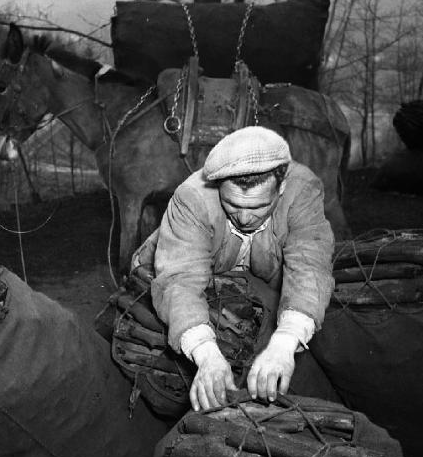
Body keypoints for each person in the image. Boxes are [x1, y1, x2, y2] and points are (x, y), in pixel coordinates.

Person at [135, 126, 335, 411]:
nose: (243, 217)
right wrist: (206, 355)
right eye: (231, 204)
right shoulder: (191, 197)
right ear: (218, 186)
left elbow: (309, 265)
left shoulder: (302, 190)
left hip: (251, 281)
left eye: (258, 207)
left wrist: (284, 343)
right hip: (176, 270)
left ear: (282, 187)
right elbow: (180, 280)